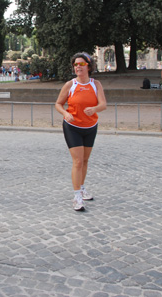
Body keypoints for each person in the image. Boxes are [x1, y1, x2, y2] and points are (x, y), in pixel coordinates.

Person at [54, 53, 107, 211]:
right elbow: (58, 103)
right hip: (73, 127)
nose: (78, 67)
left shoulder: (95, 84)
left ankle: (82, 188)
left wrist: (95, 109)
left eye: (81, 64)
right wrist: (65, 113)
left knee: (85, 160)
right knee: (77, 161)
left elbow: (103, 104)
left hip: (90, 126)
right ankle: (77, 196)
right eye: (76, 64)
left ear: (89, 67)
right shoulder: (70, 85)